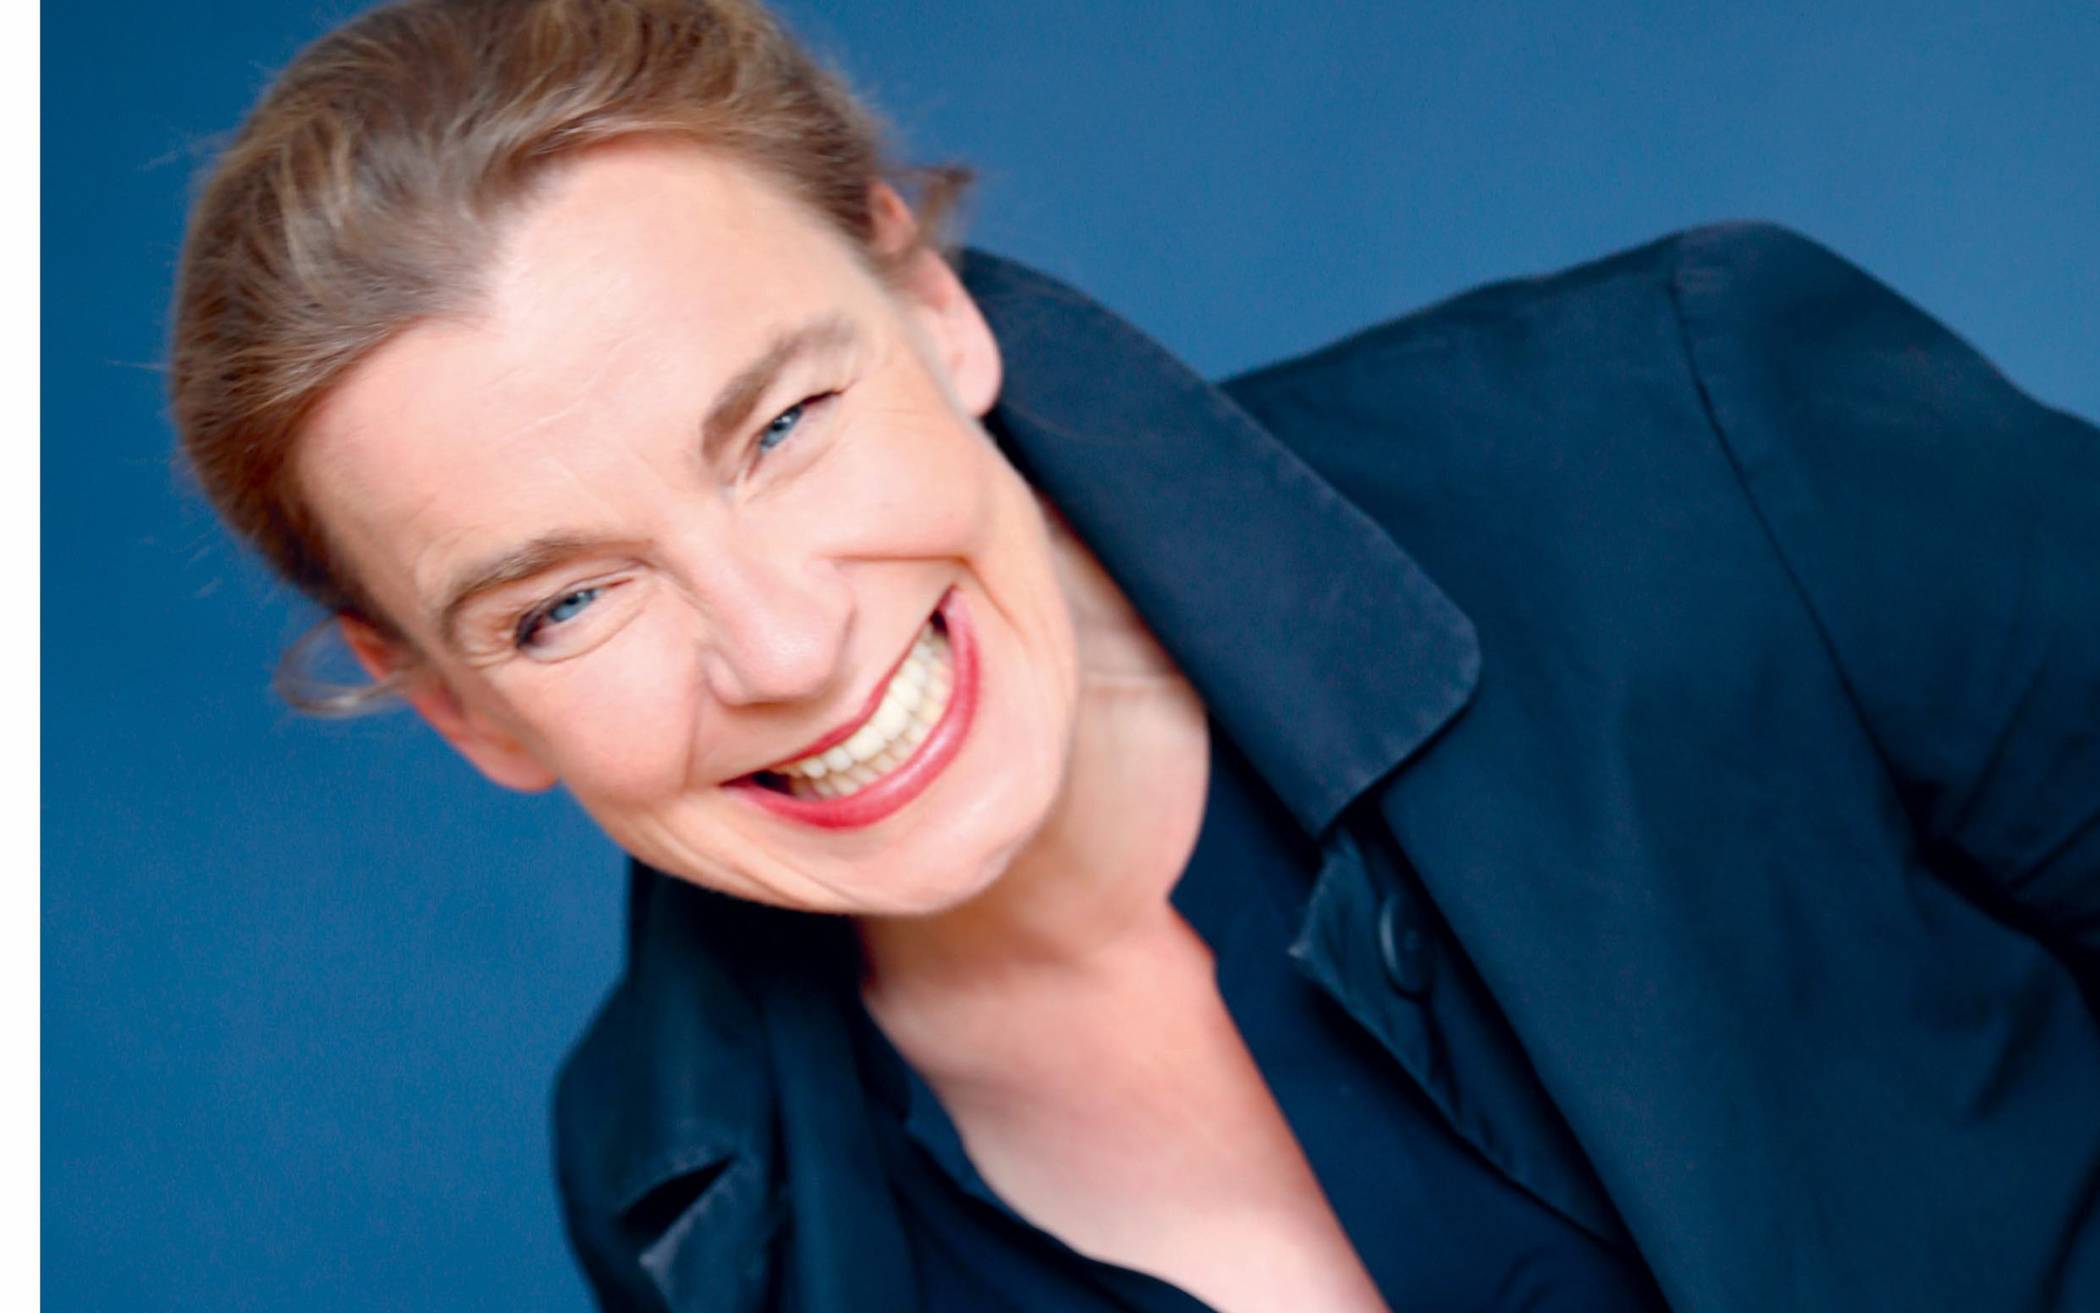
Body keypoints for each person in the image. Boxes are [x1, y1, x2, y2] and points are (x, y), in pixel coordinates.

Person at [168, 1, 2100, 1310]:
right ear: (456, 704)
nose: (784, 642)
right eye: (565, 604)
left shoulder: (1689, 436)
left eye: (781, 425)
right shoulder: (682, 1193)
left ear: (929, 304)